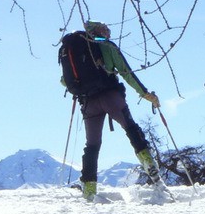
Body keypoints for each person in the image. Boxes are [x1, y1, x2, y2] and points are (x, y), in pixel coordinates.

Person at [62, 20, 161, 200]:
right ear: (98, 31)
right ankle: (149, 163)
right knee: (131, 128)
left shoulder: (73, 50)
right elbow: (126, 73)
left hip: (89, 103)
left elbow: (65, 80)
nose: (108, 32)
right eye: (105, 29)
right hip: (111, 98)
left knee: (92, 146)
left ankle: (89, 188)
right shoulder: (107, 47)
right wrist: (146, 94)